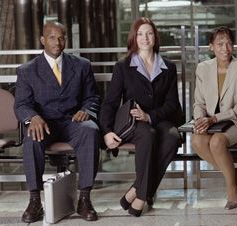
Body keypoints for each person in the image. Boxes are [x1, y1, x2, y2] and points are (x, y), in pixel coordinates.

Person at [14, 21, 101, 222]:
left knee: (91, 130)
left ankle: (85, 199)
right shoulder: (27, 70)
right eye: (52, 37)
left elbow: (93, 97)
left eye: (61, 37)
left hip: (73, 122)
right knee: (31, 138)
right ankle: (35, 201)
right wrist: (32, 117)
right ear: (42, 40)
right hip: (44, 123)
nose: (57, 41)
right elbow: (21, 104)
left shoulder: (81, 65)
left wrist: (86, 110)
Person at [99, 17, 183, 217]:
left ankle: (138, 191)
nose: (145, 38)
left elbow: (172, 104)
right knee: (147, 134)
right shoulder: (123, 66)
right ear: (134, 38)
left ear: (155, 36)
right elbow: (110, 102)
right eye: (140, 34)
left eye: (149, 33)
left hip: (158, 118)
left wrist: (150, 116)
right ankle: (142, 196)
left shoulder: (168, 67)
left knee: (172, 137)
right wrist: (107, 131)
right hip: (133, 121)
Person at [190, 26, 237, 210]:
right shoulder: (203, 68)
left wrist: (213, 119)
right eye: (220, 44)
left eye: (229, 43)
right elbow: (199, 103)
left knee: (217, 142)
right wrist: (199, 121)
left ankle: (232, 191)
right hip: (214, 123)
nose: (225, 48)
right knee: (196, 140)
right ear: (211, 46)